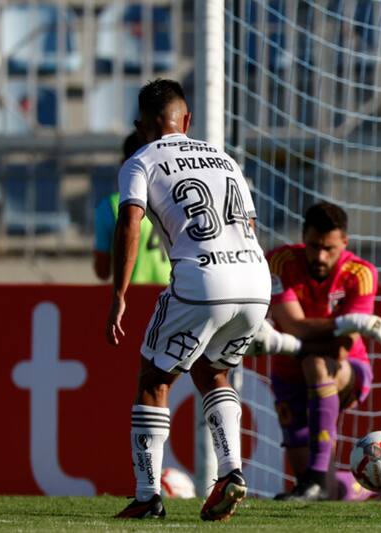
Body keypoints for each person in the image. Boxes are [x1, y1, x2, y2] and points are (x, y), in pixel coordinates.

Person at [105, 78, 272, 521]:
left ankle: (147, 496)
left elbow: (130, 225)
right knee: (213, 369)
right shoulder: (225, 159)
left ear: (143, 125)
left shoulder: (140, 160)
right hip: (256, 278)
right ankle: (231, 471)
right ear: (187, 120)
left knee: (153, 379)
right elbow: (249, 226)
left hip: (203, 278)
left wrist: (119, 293)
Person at [253, 202, 381, 502]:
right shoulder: (279, 261)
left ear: (344, 243)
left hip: (348, 370)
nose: (320, 256)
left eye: (329, 248)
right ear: (302, 238)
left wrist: (291, 341)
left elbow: (343, 347)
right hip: (288, 377)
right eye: (313, 246)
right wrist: (350, 321)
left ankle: (319, 480)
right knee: (320, 488)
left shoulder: (361, 273)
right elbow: (294, 325)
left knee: (317, 364)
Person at [93, 131, 171, 284]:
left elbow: (102, 272)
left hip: (133, 296)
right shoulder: (174, 200)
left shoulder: (111, 206)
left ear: (124, 164)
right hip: (173, 294)